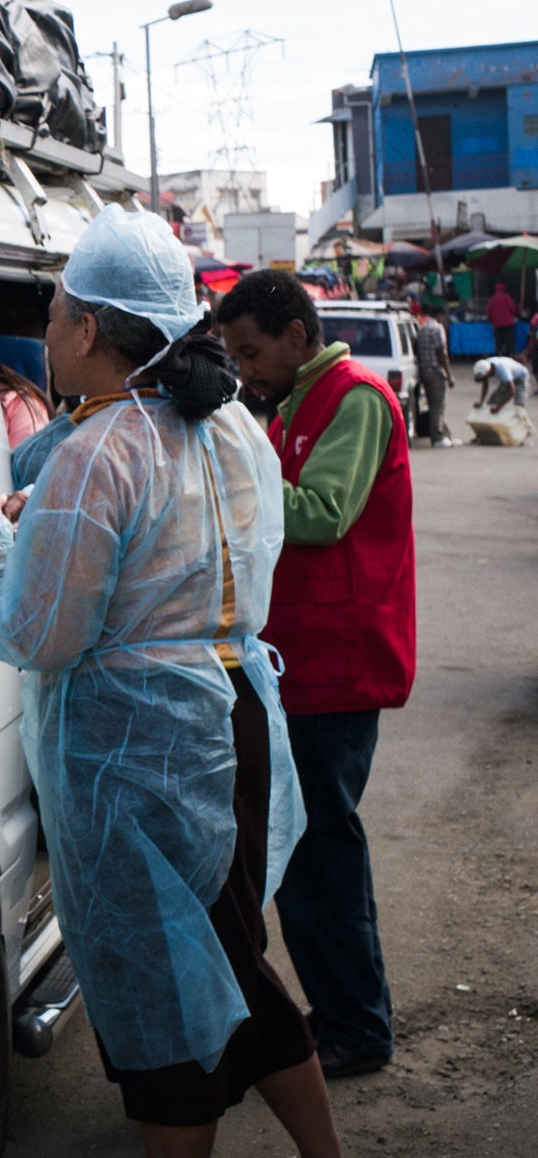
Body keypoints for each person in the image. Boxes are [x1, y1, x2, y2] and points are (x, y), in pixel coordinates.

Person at [0, 211, 379, 1158]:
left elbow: (42, 633)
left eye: (54, 310)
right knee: (233, 959)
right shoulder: (226, 424)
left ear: (94, 329)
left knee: (160, 989)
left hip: (136, 748)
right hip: (232, 721)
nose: (44, 325)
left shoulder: (103, 449)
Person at [216, 272, 416, 1082]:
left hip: (340, 659)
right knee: (305, 853)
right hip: (303, 659)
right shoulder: (297, 400)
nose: (244, 368)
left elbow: (325, 511)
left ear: (297, 336)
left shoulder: (356, 397)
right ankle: (340, 1013)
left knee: (323, 852)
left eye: (252, 351)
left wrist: (233, 485)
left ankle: (357, 1028)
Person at [413, 302, 452, 448]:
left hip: (424, 371)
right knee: (438, 405)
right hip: (435, 371)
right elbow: (440, 352)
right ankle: (437, 437)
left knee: (431, 404)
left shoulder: (422, 328)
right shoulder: (437, 328)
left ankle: (440, 433)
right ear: (440, 315)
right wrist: (448, 374)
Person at [486, 280, 518, 356]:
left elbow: (489, 313)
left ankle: (498, 356)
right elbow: (513, 309)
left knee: (498, 342)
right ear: (504, 289)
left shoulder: (492, 299)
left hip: (497, 324)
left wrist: (492, 320)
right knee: (509, 341)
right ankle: (510, 356)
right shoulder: (507, 297)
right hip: (508, 323)